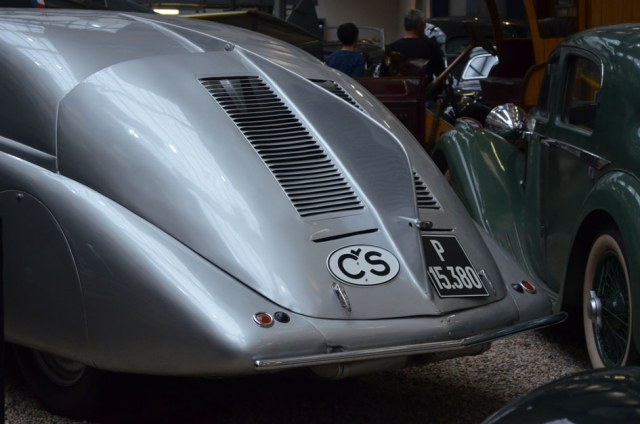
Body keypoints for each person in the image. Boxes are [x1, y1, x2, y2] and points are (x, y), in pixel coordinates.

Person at [388, 9, 445, 79]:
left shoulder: (392, 48)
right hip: (425, 86)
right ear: (421, 25)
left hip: (397, 86)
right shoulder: (430, 47)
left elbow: (383, 75)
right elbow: (441, 73)